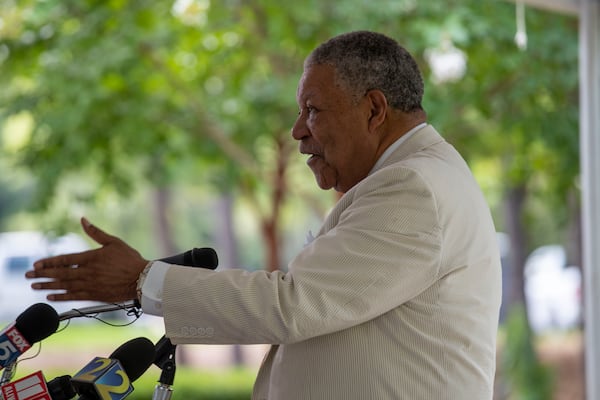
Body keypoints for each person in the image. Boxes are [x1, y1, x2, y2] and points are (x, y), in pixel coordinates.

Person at [26, 31, 502, 399]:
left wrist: (144, 280)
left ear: (374, 109)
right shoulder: (417, 176)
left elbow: (293, 304)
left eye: (312, 110)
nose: (297, 132)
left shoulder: (413, 186)